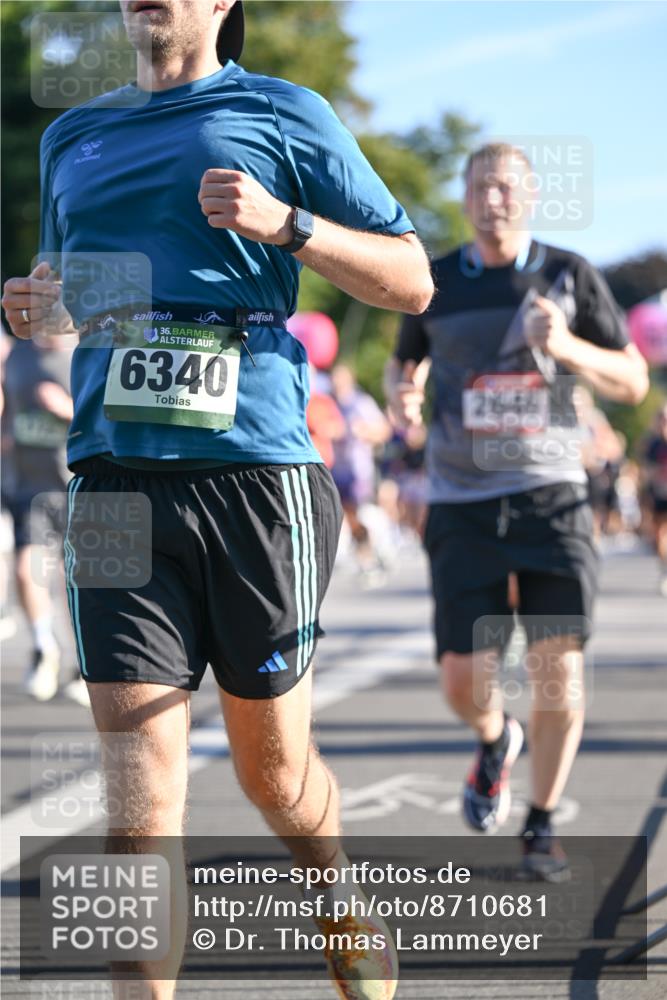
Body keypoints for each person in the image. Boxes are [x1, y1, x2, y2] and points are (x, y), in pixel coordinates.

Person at [2, 2, 433, 996]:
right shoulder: (74, 134)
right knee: (138, 798)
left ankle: (333, 894)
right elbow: (71, 289)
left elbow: (410, 279)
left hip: (254, 478)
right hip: (112, 479)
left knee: (274, 778)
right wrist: (32, 308)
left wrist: (290, 225)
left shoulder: (284, 113)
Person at [385, 142, 648, 880]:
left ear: (527, 196)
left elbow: (630, 379)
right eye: (477, 186)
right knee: (461, 682)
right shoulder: (433, 279)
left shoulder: (567, 274)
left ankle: (539, 820)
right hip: (461, 498)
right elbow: (405, 360)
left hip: (549, 494)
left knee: (556, 672)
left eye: (503, 186)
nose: (490, 198)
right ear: (465, 197)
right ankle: (495, 738)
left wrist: (565, 345)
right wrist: (401, 392)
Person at [1, 334, 89, 705]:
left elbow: (112, 417)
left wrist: (66, 408)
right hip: (30, 489)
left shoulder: (91, 352)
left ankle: (85, 663)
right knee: (26, 568)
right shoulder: (17, 354)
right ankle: (42, 648)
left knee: (80, 585)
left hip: (79, 488)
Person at [330, 363, 392, 582]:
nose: (336, 383)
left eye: (340, 379)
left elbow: (384, 430)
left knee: (359, 514)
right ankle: (366, 556)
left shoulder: (361, 402)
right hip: (335, 470)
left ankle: (373, 555)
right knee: (345, 516)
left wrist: (364, 431)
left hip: (359, 471)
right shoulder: (328, 403)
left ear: (349, 380)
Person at [643, 403, 667, 594]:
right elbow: (646, 470)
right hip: (659, 494)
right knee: (659, 534)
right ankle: (664, 571)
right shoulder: (653, 444)